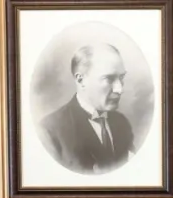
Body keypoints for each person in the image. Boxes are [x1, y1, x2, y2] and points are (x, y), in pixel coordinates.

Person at [38, 43, 135, 174]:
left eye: (121, 77)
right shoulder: (50, 130)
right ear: (81, 80)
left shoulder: (122, 123)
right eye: (109, 79)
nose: (119, 89)